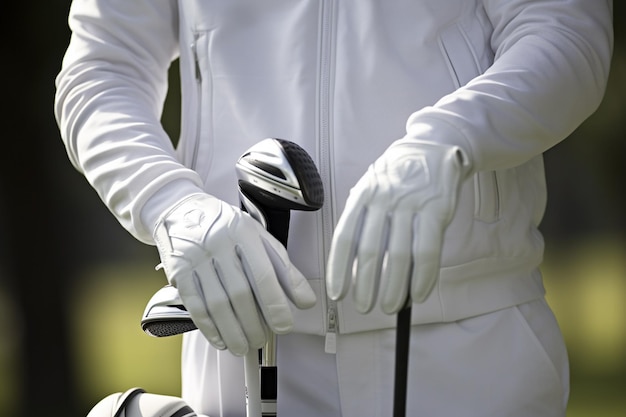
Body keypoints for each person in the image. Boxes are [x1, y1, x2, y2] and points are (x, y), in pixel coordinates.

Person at [55, 1, 613, 416]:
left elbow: (565, 33)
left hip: (472, 348)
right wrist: (170, 203)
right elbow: (102, 68)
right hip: (242, 344)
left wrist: (448, 141)